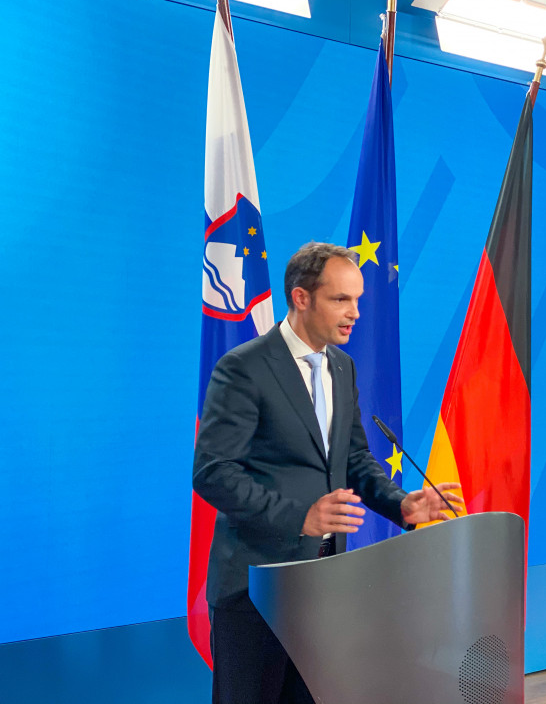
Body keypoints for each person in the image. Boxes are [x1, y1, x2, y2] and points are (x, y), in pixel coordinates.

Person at [193, 241, 462, 704]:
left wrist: (400, 502)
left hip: (323, 582)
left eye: (357, 299)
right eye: (341, 299)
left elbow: (353, 458)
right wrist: (299, 516)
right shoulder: (244, 368)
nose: (354, 312)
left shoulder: (342, 367)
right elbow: (213, 471)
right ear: (301, 297)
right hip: (255, 586)